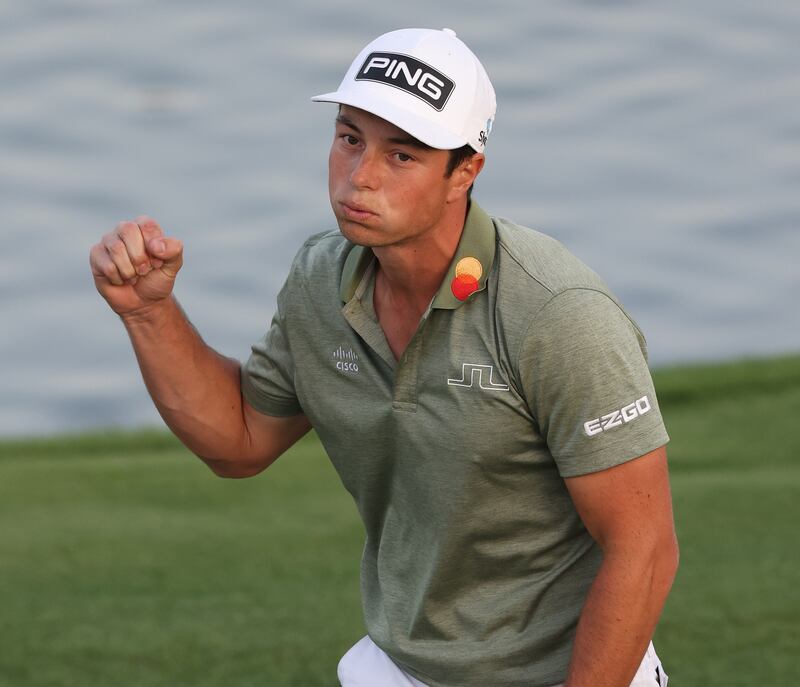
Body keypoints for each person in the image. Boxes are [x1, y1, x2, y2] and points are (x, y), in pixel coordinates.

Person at [89, 27, 678, 687]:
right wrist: (147, 312)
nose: (360, 177)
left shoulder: (555, 312)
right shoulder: (319, 279)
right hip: (400, 665)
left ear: (466, 171)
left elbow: (644, 547)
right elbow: (240, 440)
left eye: (402, 155)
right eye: (349, 139)